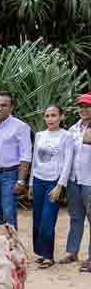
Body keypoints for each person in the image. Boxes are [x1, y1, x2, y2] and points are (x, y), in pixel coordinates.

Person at [29, 105, 72, 269]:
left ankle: (48, 255)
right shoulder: (39, 135)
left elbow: (67, 162)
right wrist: (31, 183)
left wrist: (60, 185)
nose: (50, 119)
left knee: (48, 219)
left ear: (61, 117)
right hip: (38, 180)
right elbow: (34, 161)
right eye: (47, 116)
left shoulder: (65, 136)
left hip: (53, 182)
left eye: (54, 115)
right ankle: (40, 252)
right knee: (37, 219)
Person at [0, 91, 32, 228]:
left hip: (10, 174)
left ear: (11, 107)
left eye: (4, 105)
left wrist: (21, 180)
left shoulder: (20, 127)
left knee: (9, 211)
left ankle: (12, 247)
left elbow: (26, 155)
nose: (0, 108)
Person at [63, 93, 91, 267]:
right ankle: (72, 252)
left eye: (87, 106)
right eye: (81, 106)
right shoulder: (73, 129)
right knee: (75, 217)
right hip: (74, 179)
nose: (83, 109)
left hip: (90, 180)